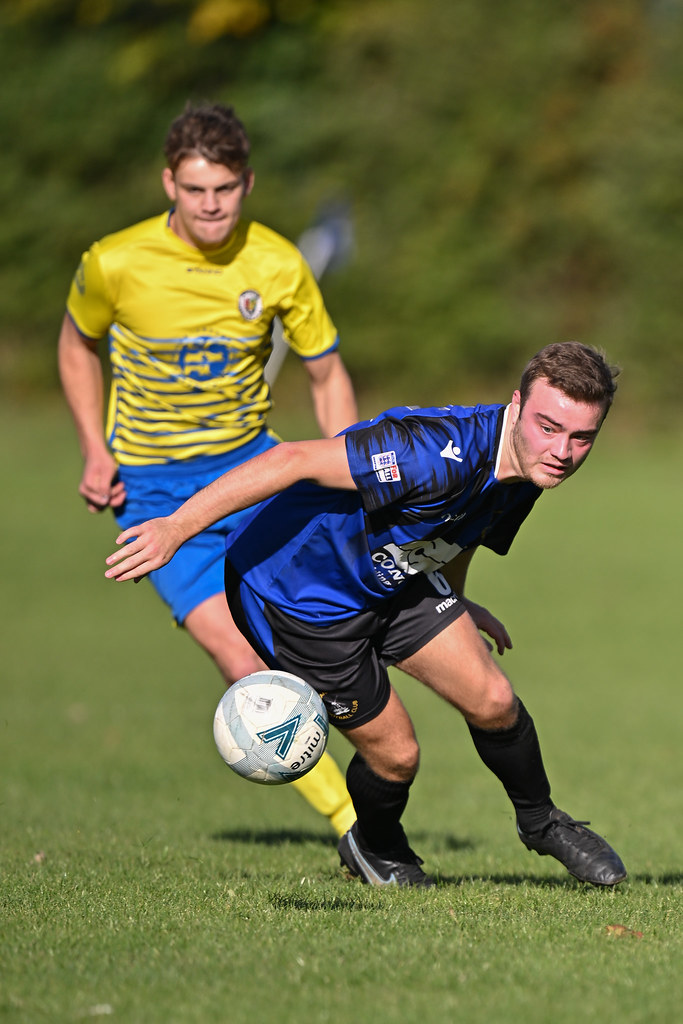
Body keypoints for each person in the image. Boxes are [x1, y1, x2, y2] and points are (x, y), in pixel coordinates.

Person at [103, 341, 628, 888]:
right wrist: (175, 528)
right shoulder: (429, 450)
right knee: (398, 756)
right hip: (300, 598)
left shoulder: (529, 470)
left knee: (494, 700)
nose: (563, 451)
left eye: (581, 437)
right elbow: (292, 461)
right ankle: (373, 845)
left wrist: (456, 601)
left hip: (392, 577)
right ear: (517, 405)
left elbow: (460, 535)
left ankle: (542, 824)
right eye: (549, 427)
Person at [58, 101, 358, 837]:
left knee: (325, 622)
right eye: (195, 190)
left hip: (255, 470)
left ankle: (385, 768)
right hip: (154, 490)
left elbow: (326, 375)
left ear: (246, 184)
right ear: (169, 183)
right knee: (234, 648)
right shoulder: (114, 262)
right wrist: (96, 450)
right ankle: (353, 825)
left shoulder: (279, 264)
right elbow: (75, 347)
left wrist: (350, 461)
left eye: (224, 189)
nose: (210, 205)